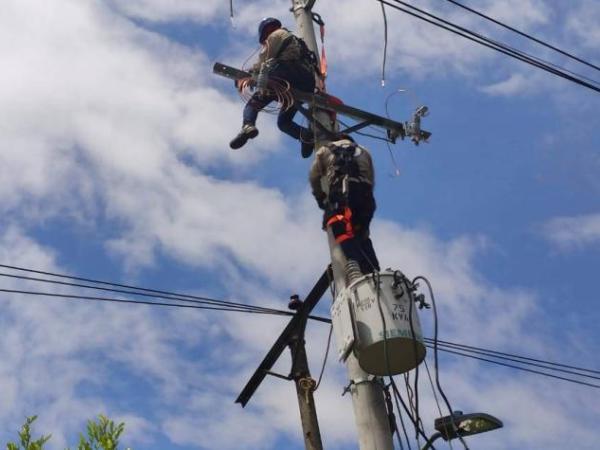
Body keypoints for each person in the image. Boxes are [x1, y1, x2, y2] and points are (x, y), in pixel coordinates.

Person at [229, 17, 317, 158]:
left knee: (254, 102)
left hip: (288, 73)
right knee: (284, 123)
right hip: (305, 83)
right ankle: (306, 136)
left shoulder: (276, 35)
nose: (264, 42)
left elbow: (264, 61)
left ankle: (247, 126)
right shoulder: (296, 42)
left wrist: (247, 76)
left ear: (266, 32)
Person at [309, 134, 380, 278]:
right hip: (366, 198)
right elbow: (371, 179)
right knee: (361, 234)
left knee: (337, 224)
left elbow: (314, 176)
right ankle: (374, 271)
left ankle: (353, 265)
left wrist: (319, 196)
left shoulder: (325, 150)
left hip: (343, 194)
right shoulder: (365, 151)